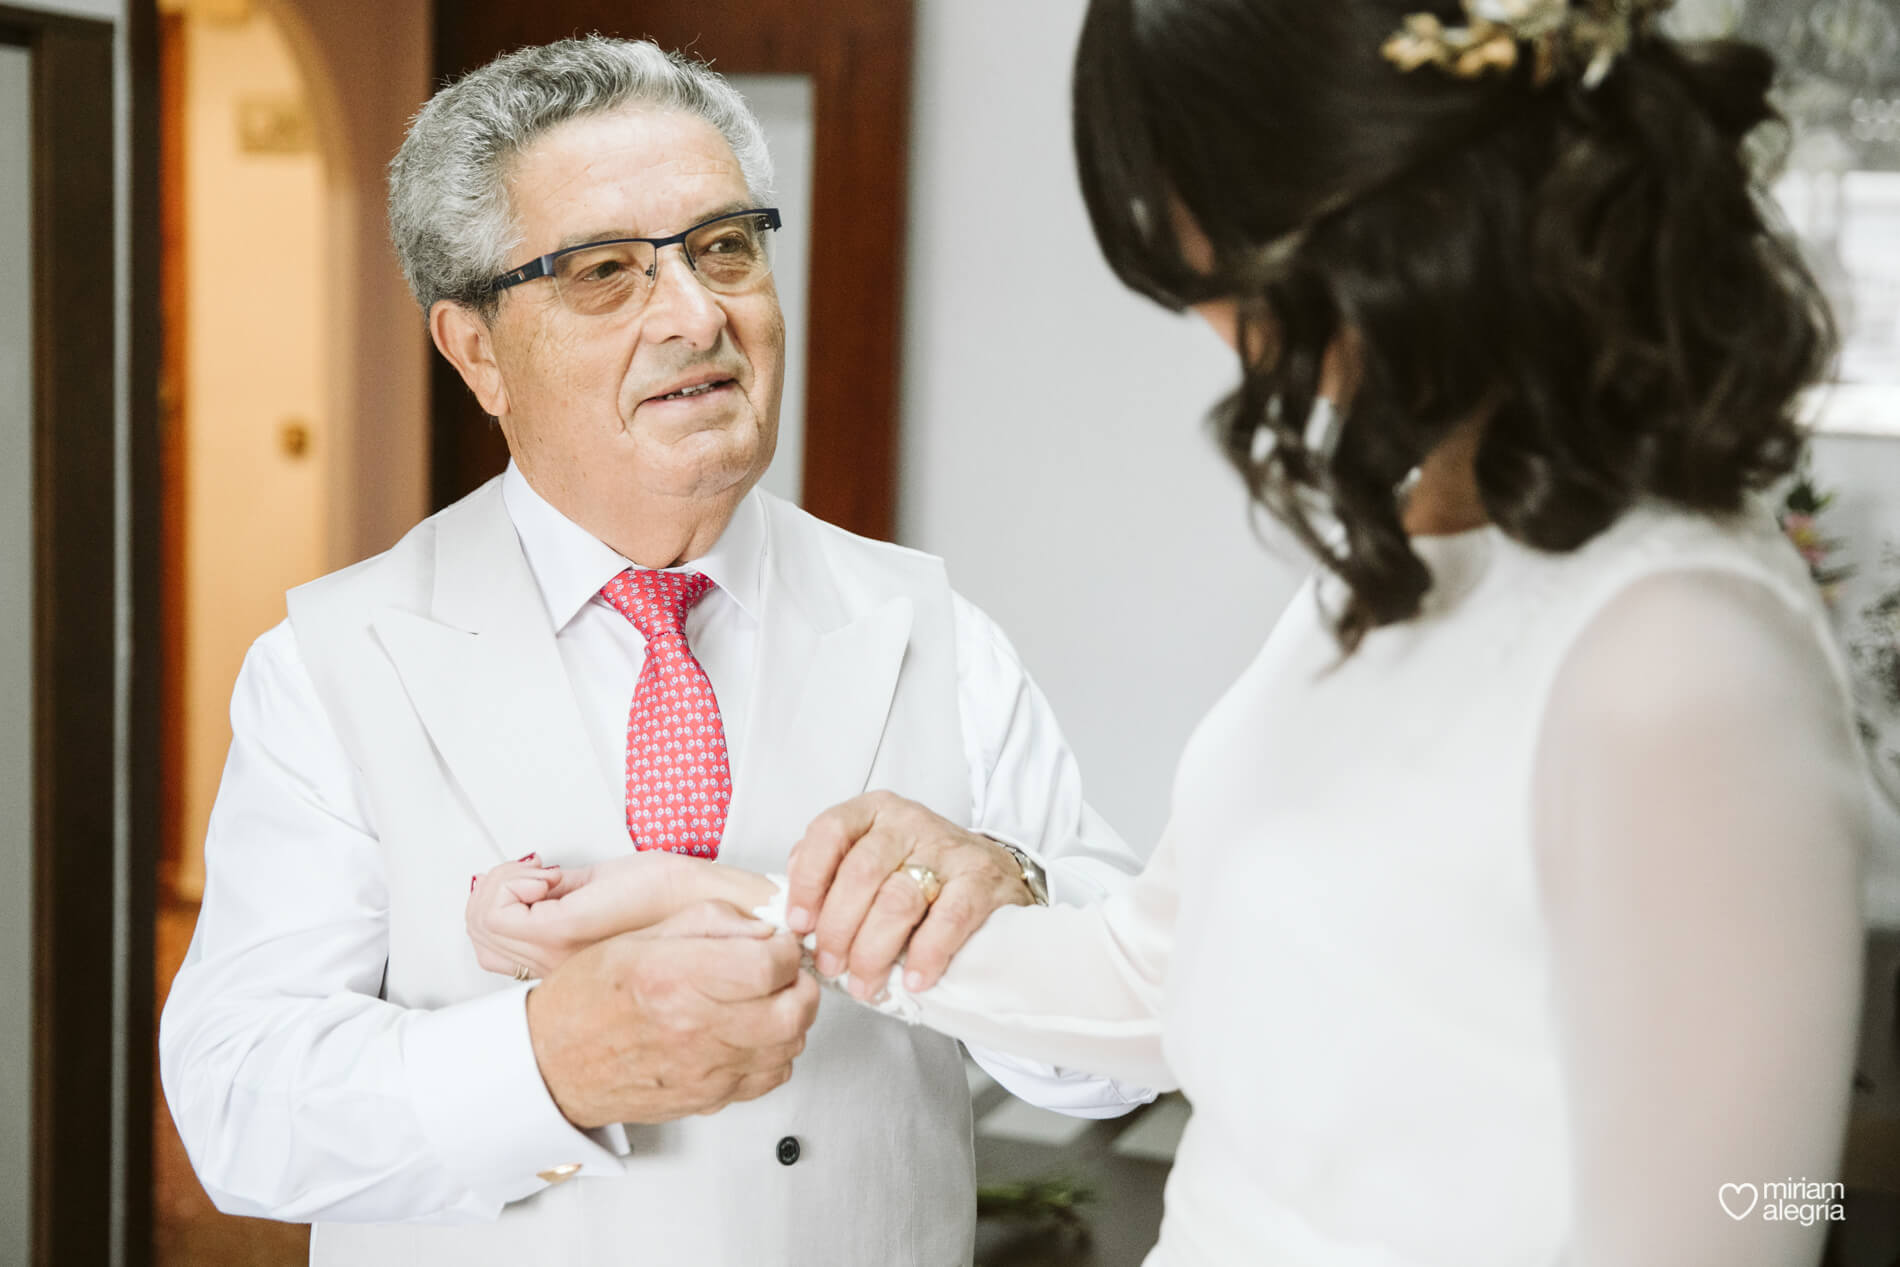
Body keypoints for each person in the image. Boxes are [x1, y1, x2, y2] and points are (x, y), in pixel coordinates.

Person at [773, 1, 1870, 1263]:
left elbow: (1742, 1229)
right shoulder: (1400, 555)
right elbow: (1158, 976)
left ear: (1362, 200)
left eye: (1204, 263)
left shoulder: (1677, 657)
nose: (1209, 328)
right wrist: (812, 916)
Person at [158, 35, 1151, 1267]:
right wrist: (548, 1060)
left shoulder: (935, 633)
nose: (697, 314)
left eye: (725, 247)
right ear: (473, 350)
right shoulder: (332, 662)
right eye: (603, 272)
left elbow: (1118, 1058)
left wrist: (1013, 894)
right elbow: (237, 1108)